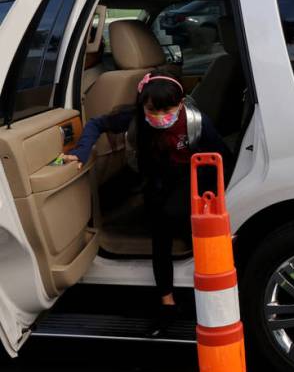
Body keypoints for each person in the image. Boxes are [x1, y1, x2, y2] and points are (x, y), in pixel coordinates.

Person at [62, 69, 230, 333]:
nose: (162, 117)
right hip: (155, 177)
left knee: (173, 213)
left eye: (169, 110)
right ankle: (167, 303)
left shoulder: (196, 122)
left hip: (188, 176)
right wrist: (81, 152)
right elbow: (96, 123)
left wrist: (213, 197)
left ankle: (207, 288)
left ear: (181, 102)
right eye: (154, 111)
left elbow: (221, 157)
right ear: (142, 105)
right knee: (158, 231)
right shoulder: (136, 120)